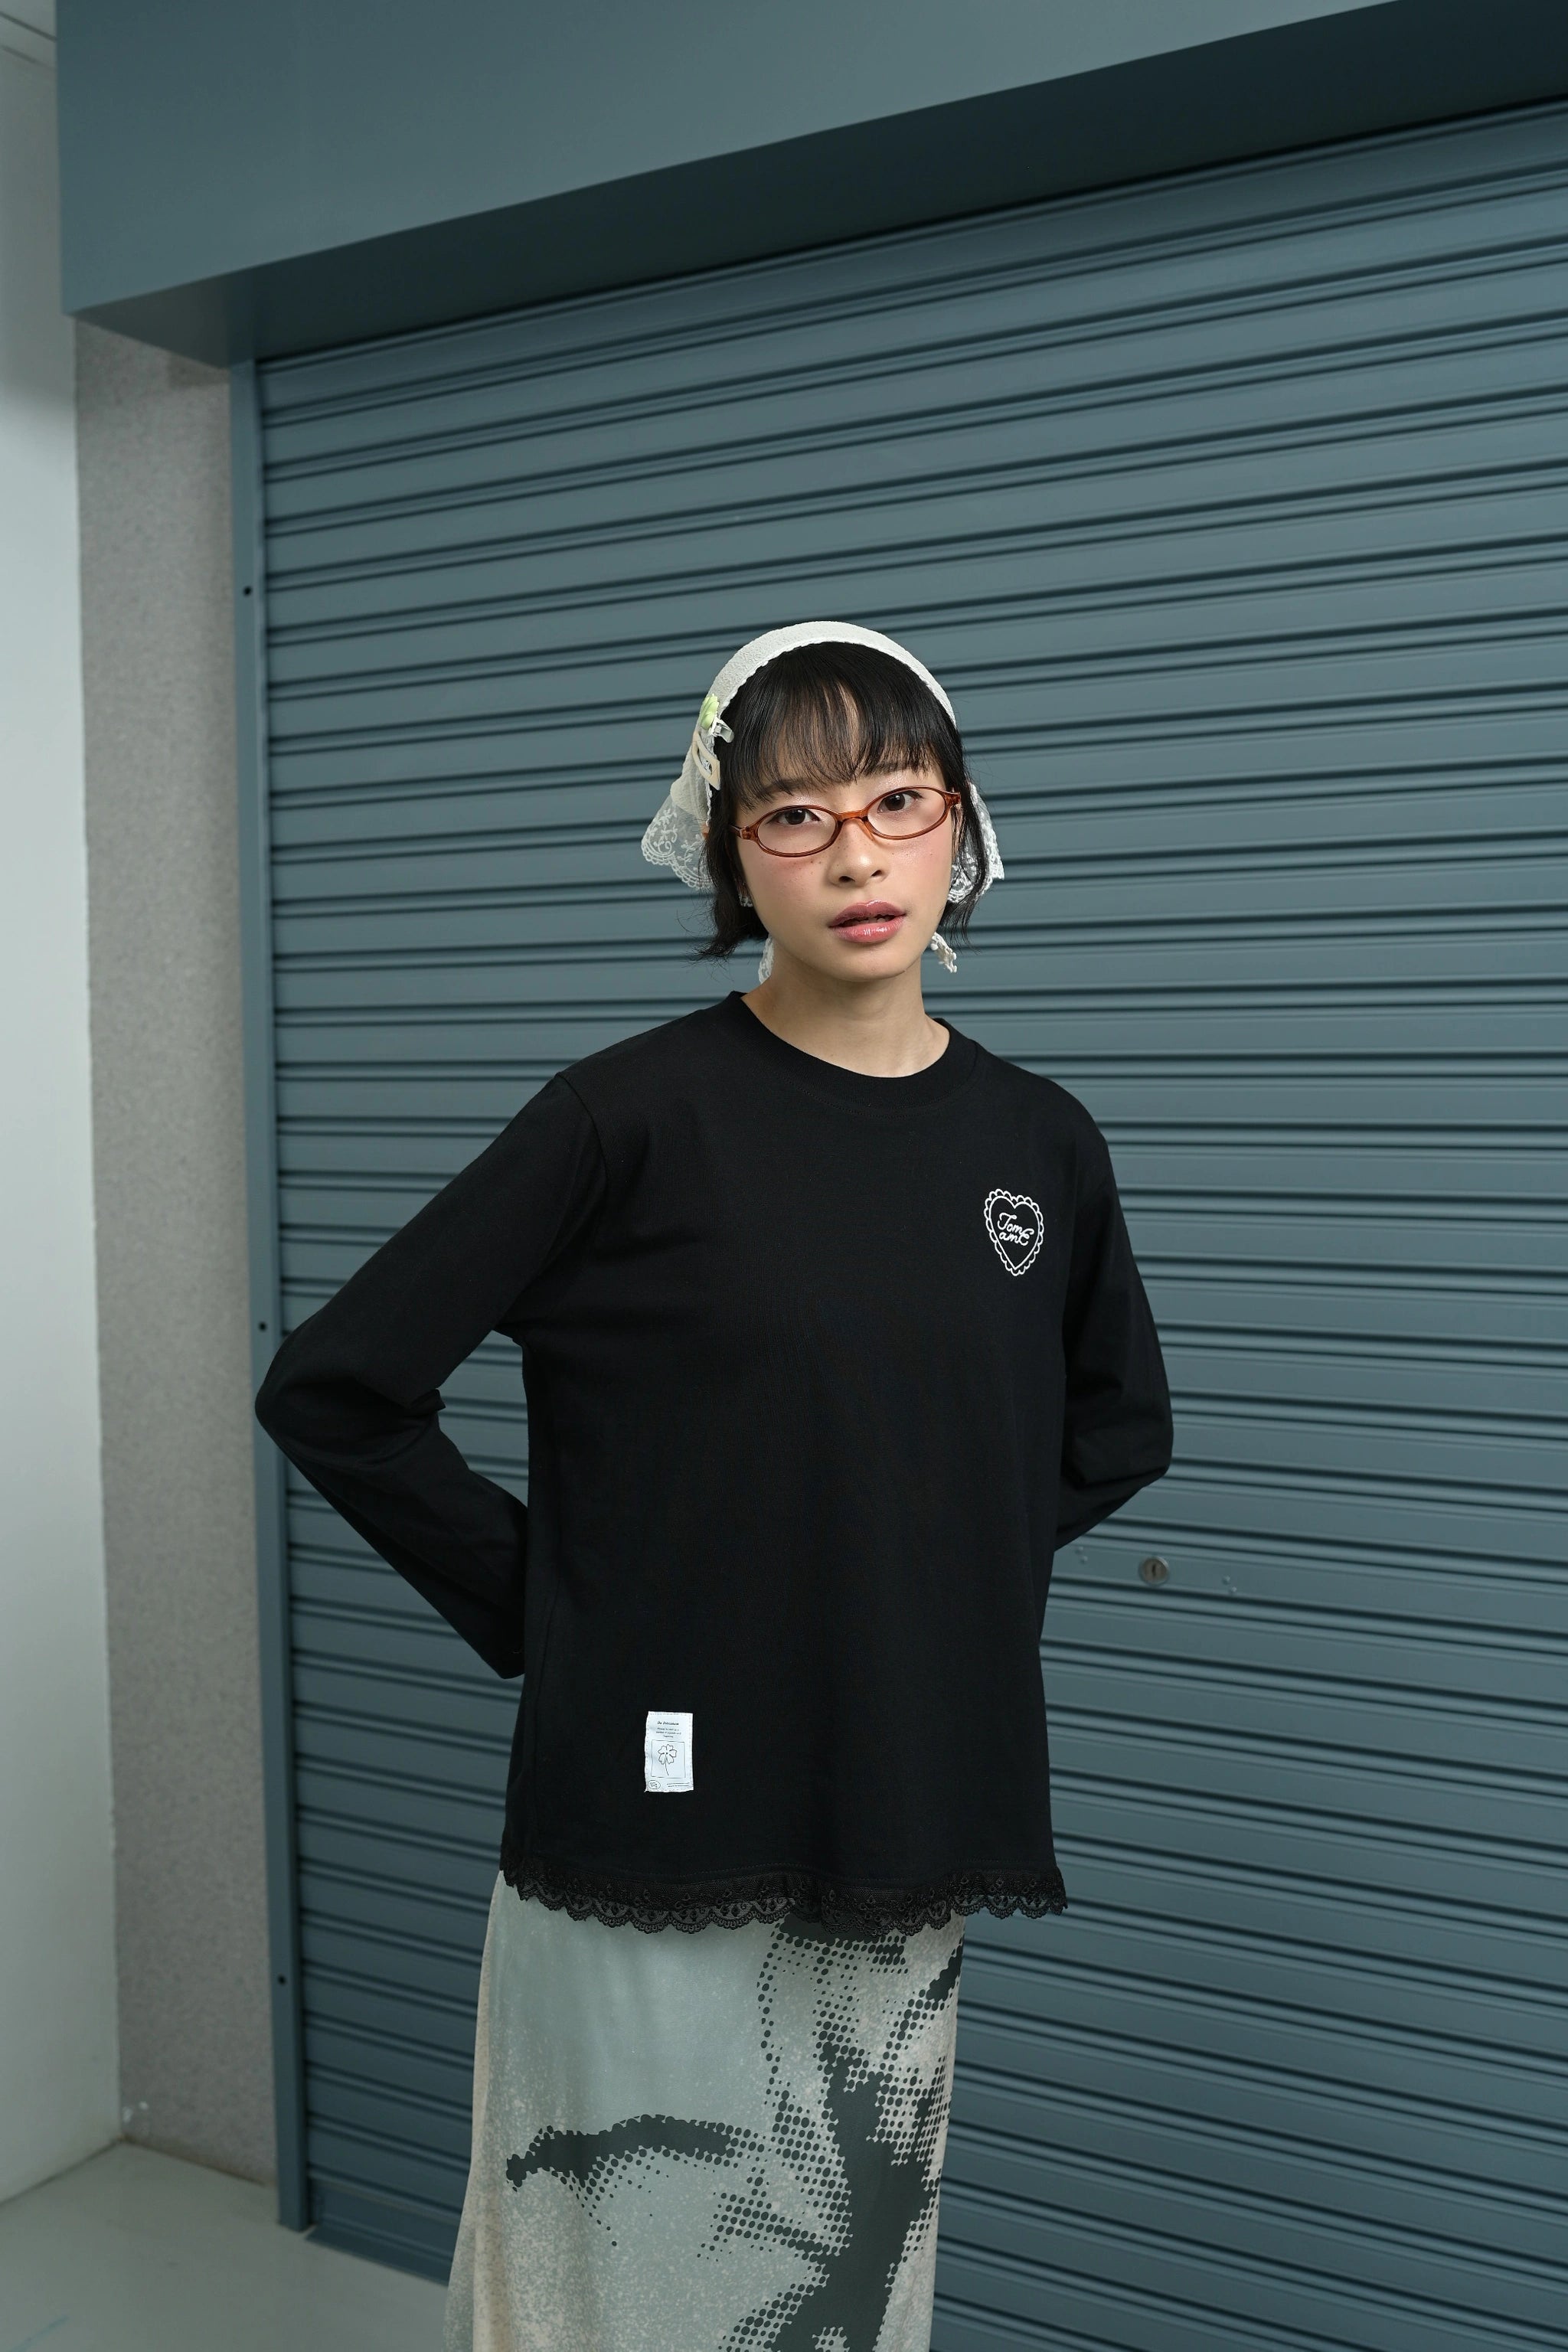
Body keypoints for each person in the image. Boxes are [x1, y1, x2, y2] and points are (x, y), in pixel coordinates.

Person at [255, 620, 1173, 2352]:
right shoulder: (628, 1119)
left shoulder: (1037, 1144)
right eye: (794, 815)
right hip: (647, 1832)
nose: (855, 855)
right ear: (727, 851)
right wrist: (556, 1611)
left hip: (901, 1806)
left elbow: (1114, 1430)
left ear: (961, 827)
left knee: (842, 2279)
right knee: (619, 2273)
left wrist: (903, 1576)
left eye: (896, 801)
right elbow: (339, 1388)